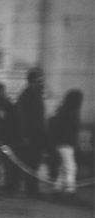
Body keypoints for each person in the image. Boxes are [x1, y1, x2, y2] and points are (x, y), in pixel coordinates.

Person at [16, 67, 49, 197]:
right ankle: (31, 190)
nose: (42, 82)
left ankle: (33, 189)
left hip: (38, 135)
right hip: (30, 136)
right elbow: (22, 117)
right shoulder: (26, 95)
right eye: (39, 79)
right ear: (32, 80)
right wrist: (25, 135)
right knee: (30, 162)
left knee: (35, 163)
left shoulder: (37, 94)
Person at [48, 89, 83, 197]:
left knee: (63, 167)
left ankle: (57, 187)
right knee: (71, 167)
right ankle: (70, 189)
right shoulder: (72, 112)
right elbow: (70, 130)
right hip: (66, 143)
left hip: (62, 143)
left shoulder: (64, 110)